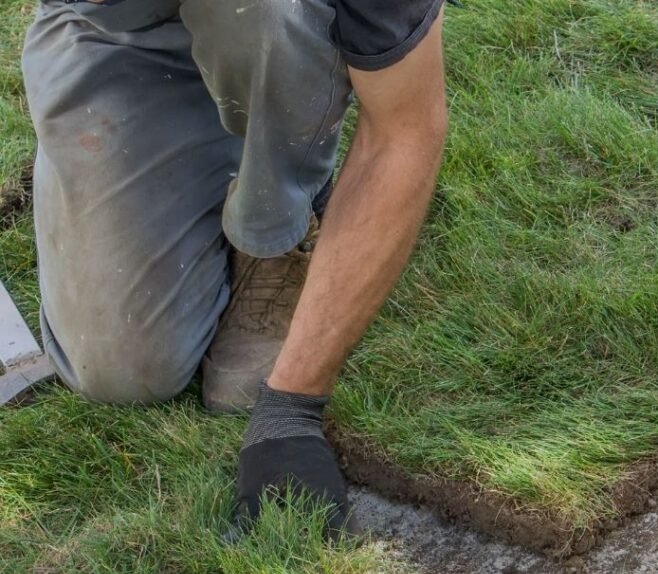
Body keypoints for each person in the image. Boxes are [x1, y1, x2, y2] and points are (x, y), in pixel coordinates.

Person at [21, 0, 449, 536]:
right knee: (123, 369)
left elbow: (404, 129)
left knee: (266, 10)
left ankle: (278, 221)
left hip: (271, 27)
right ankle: (182, 136)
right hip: (110, 31)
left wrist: (290, 409)